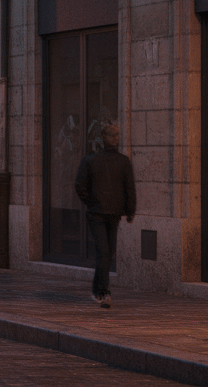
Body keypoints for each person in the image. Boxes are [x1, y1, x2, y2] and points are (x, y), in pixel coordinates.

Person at [75, 122, 136, 309]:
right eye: (112, 135)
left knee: (107, 253)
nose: (115, 138)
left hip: (111, 213)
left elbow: (129, 189)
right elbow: (80, 186)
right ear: (103, 137)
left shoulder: (122, 161)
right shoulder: (92, 160)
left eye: (117, 135)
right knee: (104, 252)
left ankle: (97, 290)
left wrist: (130, 210)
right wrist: (92, 202)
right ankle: (103, 292)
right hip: (99, 213)